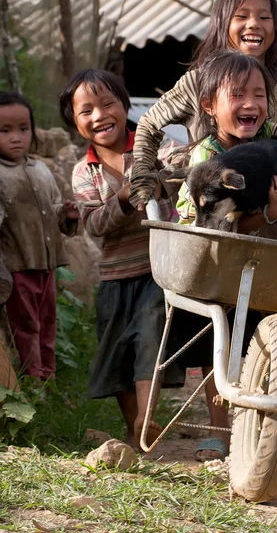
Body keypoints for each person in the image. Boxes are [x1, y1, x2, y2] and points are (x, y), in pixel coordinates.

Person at [172, 49, 277, 461]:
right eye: (237, 95)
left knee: (275, 341)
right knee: (220, 337)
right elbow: (202, 222)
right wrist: (272, 213)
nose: (250, 104)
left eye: (258, 94)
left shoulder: (272, 137)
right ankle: (220, 426)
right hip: (217, 269)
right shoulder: (204, 158)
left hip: (265, 268)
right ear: (209, 106)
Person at [129, 0, 277, 213]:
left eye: (264, 17)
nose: (253, 24)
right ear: (222, 24)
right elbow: (148, 124)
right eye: (241, 16)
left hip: (272, 221)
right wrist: (143, 173)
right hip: (211, 221)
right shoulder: (197, 83)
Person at [64, 69, 183, 451]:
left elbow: (181, 173)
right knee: (117, 350)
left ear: (125, 104)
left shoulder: (155, 146)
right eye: (86, 110)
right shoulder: (85, 172)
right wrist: (123, 197)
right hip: (115, 276)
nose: (99, 115)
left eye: (107, 103)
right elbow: (94, 224)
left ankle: (146, 421)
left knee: (150, 339)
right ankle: (133, 427)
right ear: (74, 121)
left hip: (157, 268)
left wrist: (159, 176)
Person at [0, 91, 79, 383]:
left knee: (47, 322)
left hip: (46, 265)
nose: (16, 137)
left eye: (23, 128)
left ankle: (49, 379)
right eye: (4, 131)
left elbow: (54, 207)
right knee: (26, 325)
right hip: (17, 266)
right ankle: (33, 382)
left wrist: (66, 215)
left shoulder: (41, 170)